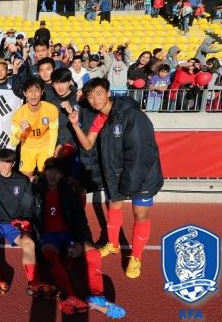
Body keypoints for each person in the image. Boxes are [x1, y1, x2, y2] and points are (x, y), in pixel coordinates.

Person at [68, 78, 164, 279]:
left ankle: (136, 256)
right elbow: (87, 145)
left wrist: (129, 184)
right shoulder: (101, 117)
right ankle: (113, 244)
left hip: (143, 175)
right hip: (117, 174)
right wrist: (76, 125)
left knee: (140, 215)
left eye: (99, 93)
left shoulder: (132, 115)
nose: (95, 99)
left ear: (109, 92)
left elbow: (140, 154)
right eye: (90, 96)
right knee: (114, 207)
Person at [36, 157, 126, 319]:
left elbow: (79, 219)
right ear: (44, 172)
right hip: (48, 238)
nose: (52, 175)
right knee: (53, 258)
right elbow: (29, 213)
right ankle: (70, 295)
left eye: (57, 172)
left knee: (92, 252)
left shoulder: (68, 192)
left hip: (68, 236)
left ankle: (97, 296)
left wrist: (81, 241)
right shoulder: (37, 191)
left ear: (62, 175)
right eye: (50, 171)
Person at [0, 148, 51, 299]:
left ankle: (33, 282)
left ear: (13, 163)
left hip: (14, 224)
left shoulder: (21, 180)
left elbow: (27, 205)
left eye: (7, 162)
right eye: (1, 162)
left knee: (29, 243)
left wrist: (25, 220)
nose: (3, 166)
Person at [10, 78, 59, 179]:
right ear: (24, 93)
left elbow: (54, 133)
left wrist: (49, 155)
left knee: (47, 177)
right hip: (27, 148)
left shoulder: (51, 109)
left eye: (36, 91)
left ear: (42, 92)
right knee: (25, 178)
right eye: (30, 91)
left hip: (45, 147)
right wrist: (20, 130)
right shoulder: (18, 114)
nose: (33, 95)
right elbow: (13, 142)